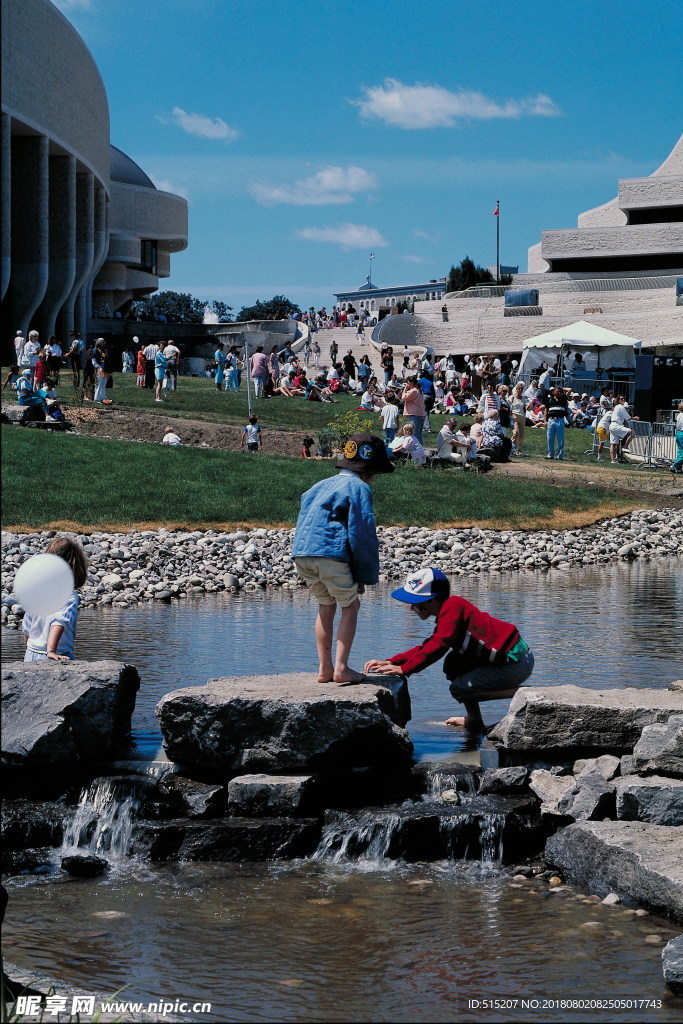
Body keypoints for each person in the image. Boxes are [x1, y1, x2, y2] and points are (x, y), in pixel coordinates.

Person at [364, 567, 534, 732]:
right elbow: (430, 644)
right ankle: (474, 720)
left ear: (431, 600)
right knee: (454, 664)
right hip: (510, 658)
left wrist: (405, 669)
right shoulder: (449, 610)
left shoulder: (453, 607)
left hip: (515, 662)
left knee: (458, 689)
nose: (412, 608)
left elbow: (439, 645)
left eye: (415, 603)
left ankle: (521, 693)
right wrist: (394, 660)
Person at [292, 434, 393, 683]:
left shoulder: (319, 485)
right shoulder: (359, 488)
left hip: (303, 553)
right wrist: (364, 576)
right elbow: (362, 533)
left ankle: (324, 669)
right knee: (351, 605)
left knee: (326, 606)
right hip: (331, 554)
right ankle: (341, 668)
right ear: (369, 469)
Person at [22, 537, 89, 662]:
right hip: (55, 653)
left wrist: (28, 647)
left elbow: (27, 624)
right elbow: (58, 622)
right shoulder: (68, 596)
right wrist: (51, 651)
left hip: (31, 653)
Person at [609, 396, 635, 464]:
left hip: (613, 425)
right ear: (618, 400)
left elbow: (624, 418)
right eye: (622, 399)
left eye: (624, 399)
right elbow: (628, 418)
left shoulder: (616, 407)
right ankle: (625, 447)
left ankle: (613, 460)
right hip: (616, 425)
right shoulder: (620, 407)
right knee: (632, 432)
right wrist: (635, 418)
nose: (623, 400)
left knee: (613, 444)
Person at [546, 387, 569, 460]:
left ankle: (560, 456)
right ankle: (550, 454)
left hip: (560, 420)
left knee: (561, 439)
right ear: (554, 392)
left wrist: (562, 388)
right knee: (550, 438)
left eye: (560, 392)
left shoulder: (563, 399)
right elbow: (546, 411)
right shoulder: (550, 400)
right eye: (557, 391)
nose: (559, 393)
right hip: (551, 420)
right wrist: (545, 420)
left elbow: (570, 390)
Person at [510, 381, 527, 456]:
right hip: (515, 415)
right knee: (515, 432)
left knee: (522, 434)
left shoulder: (523, 398)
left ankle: (519, 450)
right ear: (516, 389)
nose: (520, 390)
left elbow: (525, 407)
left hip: (522, 416)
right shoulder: (512, 397)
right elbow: (509, 405)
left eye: (521, 389)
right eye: (519, 388)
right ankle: (511, 447)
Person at [671, 402, 683, 475]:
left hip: (678, 433)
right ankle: (674, 465)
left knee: (680, 451)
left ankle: (678, 468)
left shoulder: (679, 415)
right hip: (682, 433)